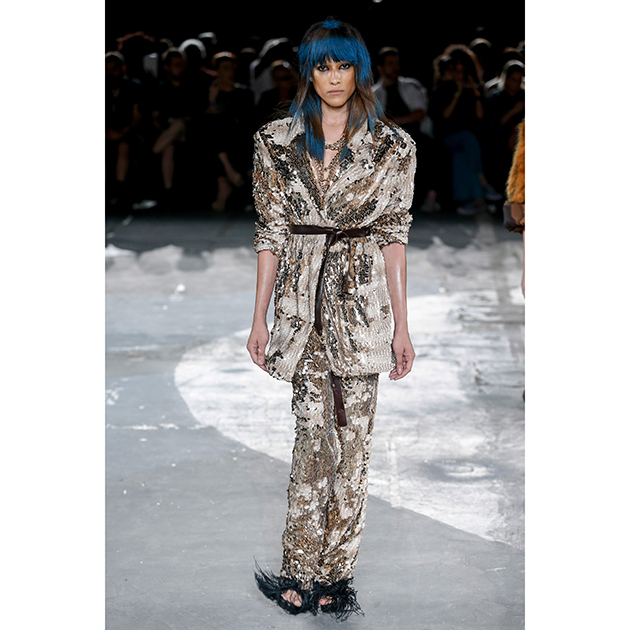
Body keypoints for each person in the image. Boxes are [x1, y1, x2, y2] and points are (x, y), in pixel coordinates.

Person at [247, 18, 416, 620]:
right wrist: (259, 318)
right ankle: (298, 568)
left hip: (363, 307)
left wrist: (402, 326)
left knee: (354, 444)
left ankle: (336, 576)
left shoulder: (394, 147)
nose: (335, 77)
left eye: (344, 66)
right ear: (308, 72)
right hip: (301, 309)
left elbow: (394, 237)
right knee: (311, 438)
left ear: (360, 71)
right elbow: (270, 232)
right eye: (323, 66)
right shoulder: (275, 142)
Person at [429, 48, 499, 215]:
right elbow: (444, 116)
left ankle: (473, 201)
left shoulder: (468, 91)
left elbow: (480, 116)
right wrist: (457, 93)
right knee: (468, 139)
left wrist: (473, 91)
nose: (455, 72)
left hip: (464, 141)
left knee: (461, 156)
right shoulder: (439, 91)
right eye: (451, 69)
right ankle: (483, 182)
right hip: (446, 138)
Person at [372, 46, 437, 212]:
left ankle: (425, 197)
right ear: (380, 68)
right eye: (390, 64)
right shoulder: (373, 94)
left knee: (423, 147)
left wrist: (398, 121)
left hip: (414, 134)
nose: (395, 67)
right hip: (387, 139)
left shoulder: (410, 86)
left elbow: (420, 112)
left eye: (397, 63)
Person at [105, 52, 143, 209]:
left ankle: (118, 191)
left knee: (124, 146)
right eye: (106, 70)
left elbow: (136, 118)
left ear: (122, 69)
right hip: (106, 134)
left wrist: (121, 133)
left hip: (128, 134)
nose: (110, 73)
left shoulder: (133, 88)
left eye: (114, 69)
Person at [484, 60, 525, 194]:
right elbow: (493, 126)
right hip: (499, 142)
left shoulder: (524, 96)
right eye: (513, 80)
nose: (516, 84)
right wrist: (513, 111)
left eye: (519, 80)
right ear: (506, 78)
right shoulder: (495, 97)